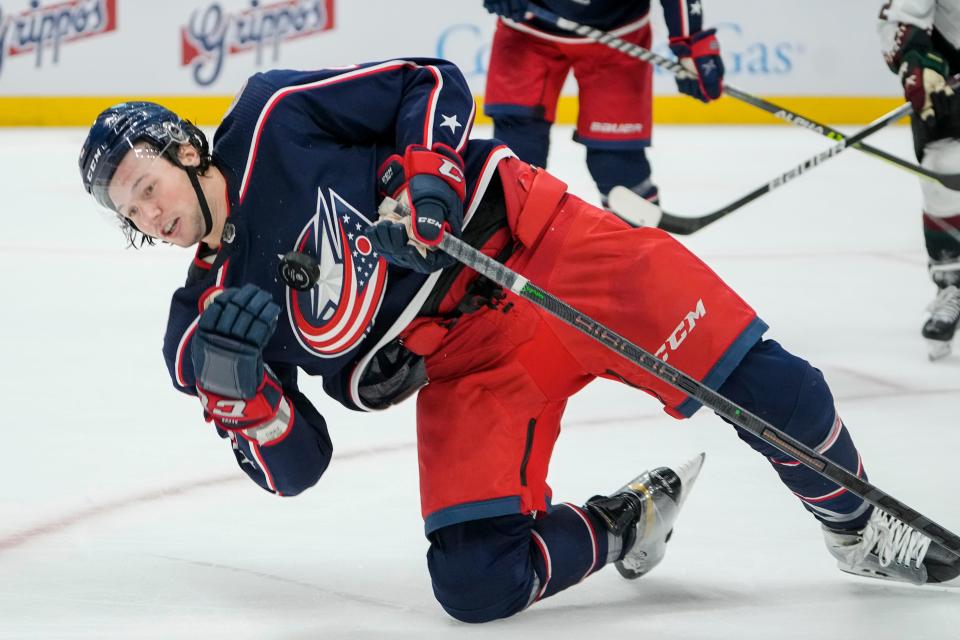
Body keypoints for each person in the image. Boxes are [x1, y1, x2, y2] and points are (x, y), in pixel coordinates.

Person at [78, 57, 957, 623]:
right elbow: (298, 468)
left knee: (772, 386)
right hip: (471, 363)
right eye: (131, 212)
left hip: (543, 251)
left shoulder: (276, 117)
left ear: (185, 149)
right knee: (475, 581)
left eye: (148, 184)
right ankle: (625, 523)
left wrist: (422, 180)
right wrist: (250, 402)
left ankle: (854, 526)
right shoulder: (201, 324)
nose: (151, 215)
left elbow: (430, 84)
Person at [479, 0, 724, 213]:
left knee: (616, 164)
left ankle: (636, 251)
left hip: (617, 33)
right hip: (528, 28)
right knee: (518, 150)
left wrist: (690, 42)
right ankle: (504, 246)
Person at [879, 0, 960, 360]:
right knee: (945, 169)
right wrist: (919, 64)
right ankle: (951, 283)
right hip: (949, 84)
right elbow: (903, 16)